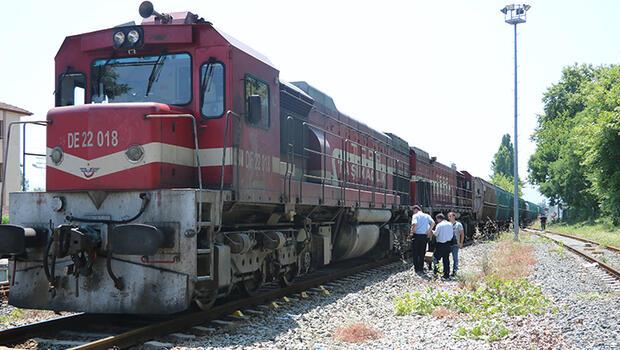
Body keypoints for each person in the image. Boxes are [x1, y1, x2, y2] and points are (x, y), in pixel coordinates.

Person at [410, 205, 435, 273]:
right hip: (424, 236)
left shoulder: (415, 216)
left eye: (413, 211)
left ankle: (416, 268)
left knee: (415, 253)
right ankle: (421, 268)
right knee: (422, 252)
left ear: (415, 210)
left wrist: (412, 232)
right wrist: (429, 231)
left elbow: (414, 224)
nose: (413, 212)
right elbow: (433, 223)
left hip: (417, 236)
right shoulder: (426, 215)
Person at [429, 213, 453, 279]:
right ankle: (446, 274)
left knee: (435, 258)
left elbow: (436, 234)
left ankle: (436, 272)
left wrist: (432, 231)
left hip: (441, 244)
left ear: (438, 219)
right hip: (448, 244)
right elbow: (451, 234)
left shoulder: (439, 225)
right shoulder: (450, 224)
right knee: (446, 259)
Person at [448, 212, 464, 277]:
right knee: (447, 258)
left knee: (455, 258)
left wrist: (461, 243)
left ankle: (454, 271)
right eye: (448, 216)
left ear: (454, 216)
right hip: (448, 243)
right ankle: (447, 271)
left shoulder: (458, 224)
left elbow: (462, 234)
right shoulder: (448, 224)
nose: (449, 217)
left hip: (455, 244)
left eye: (450, 216)